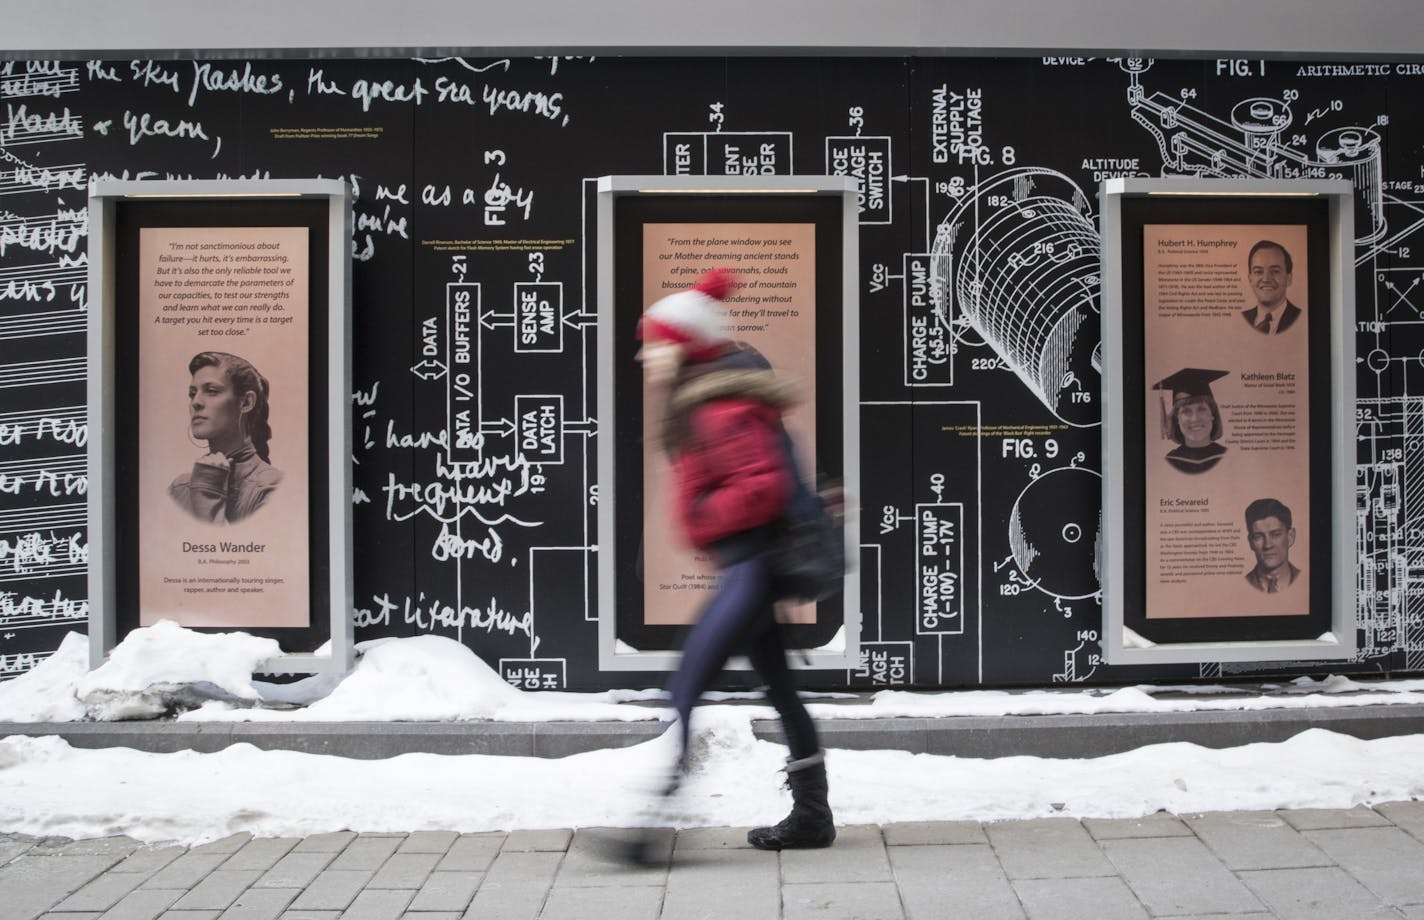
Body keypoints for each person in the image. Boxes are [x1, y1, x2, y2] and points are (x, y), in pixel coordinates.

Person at [632, 267, 834, 856]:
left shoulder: (718, 408)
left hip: (748, 569)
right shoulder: (710, 398)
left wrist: (700, 513)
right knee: (780, 689)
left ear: (684, 346)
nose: (645, 356)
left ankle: (647, 830)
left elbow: (763, 486)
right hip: (751, 566)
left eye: (654, 343)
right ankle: (813, 816)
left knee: (687, 687)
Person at [169, 351, 282, 524]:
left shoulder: (273, 487)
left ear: (246, 403)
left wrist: (207, 489)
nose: (195, 402)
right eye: (192, 393)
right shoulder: (179, 488)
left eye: (211, 391)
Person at [1152, 367, 1228, 474]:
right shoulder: (1170, 461)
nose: (1195, 418)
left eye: (1201, 409)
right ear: (1177, 419)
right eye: (1186, 411)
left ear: (1212, 414)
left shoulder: (1227, 456)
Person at [1242, 240, 1301, 335]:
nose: (1266, 279)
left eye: (1275, 271)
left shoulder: (1301, 318)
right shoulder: (1242, 318)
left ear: (1289, 278)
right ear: (1250, 279)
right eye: (1258, 272)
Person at [1243, 497, 1301, 593]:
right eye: (1258, 537)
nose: (1268, 545)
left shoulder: (1305, 580)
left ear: (1290, 536)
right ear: (1250, 542)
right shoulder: (1241, 584)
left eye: (1276, 534)